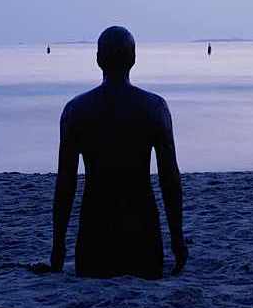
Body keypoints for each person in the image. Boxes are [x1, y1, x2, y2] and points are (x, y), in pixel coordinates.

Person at [48, 26, 187, 279]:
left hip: (94, 243)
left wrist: (58, 246)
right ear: (133, 59)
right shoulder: (154, 108)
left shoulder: (76, 110)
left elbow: (65, 183)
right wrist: (177, 239)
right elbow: (170, 179)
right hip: (144, 242)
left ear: (98, 59)